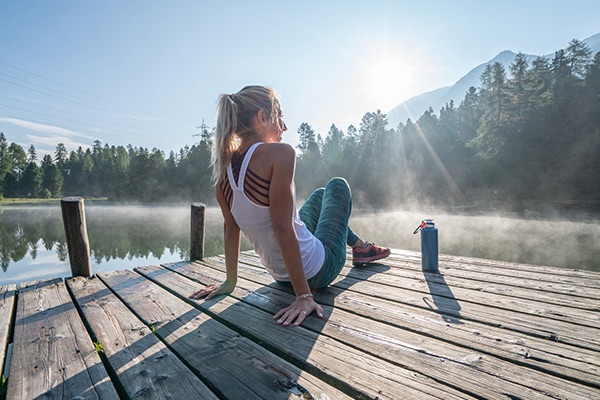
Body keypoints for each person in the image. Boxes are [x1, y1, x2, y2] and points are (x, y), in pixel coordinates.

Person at [190, 85, 390, 326]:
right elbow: (282, 228)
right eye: (279, 116)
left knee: (318, 196)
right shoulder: (280, 154)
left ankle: (360, 246)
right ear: (263, 118)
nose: (284, 126)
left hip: (280, 278)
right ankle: (361, 248)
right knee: (337, 186)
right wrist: (304, 296)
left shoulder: (223, 173)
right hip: (319, 270)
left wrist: (230, 282)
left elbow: (231, 229)